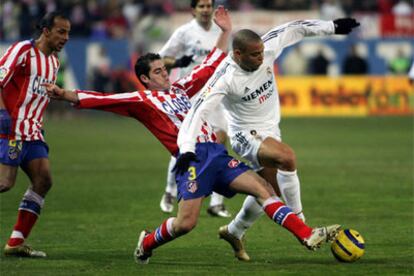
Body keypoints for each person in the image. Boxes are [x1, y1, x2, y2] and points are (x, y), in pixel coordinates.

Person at [176, 18, 360, 261]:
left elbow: (295, 28)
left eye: (261, 52)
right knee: (287, 157)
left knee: (267, 189)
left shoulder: (267, 48)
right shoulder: (225, 77)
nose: (261, 58)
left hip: (271, 130)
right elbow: (198, 110)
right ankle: (300, 223)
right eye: (254, 55)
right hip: (245, 134)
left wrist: (332, 27)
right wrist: (187, 147)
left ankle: (234, 230)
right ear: (238, 53)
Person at [0, 11, 71, 258]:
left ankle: (15, 242)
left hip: (32, 131)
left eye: (68, 33)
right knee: (4, 183)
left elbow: (36, 95)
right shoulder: (23, 51)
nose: (66, 37)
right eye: (61, 31)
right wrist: (2, 114)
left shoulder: (54, 63)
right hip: (11, 130)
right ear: (46, 31)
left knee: (43, 181)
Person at [158, 0, 230, 217]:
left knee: (221, 137)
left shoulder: (222, 31)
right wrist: (179, 61)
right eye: (202, 6)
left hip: (215, 92)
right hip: (190, 94)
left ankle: (216, 202)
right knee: (186, 142)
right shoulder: (184, 32)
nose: (206, 10)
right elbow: (161, 58)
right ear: (193, 10)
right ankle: (170, 190)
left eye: (209, 6)